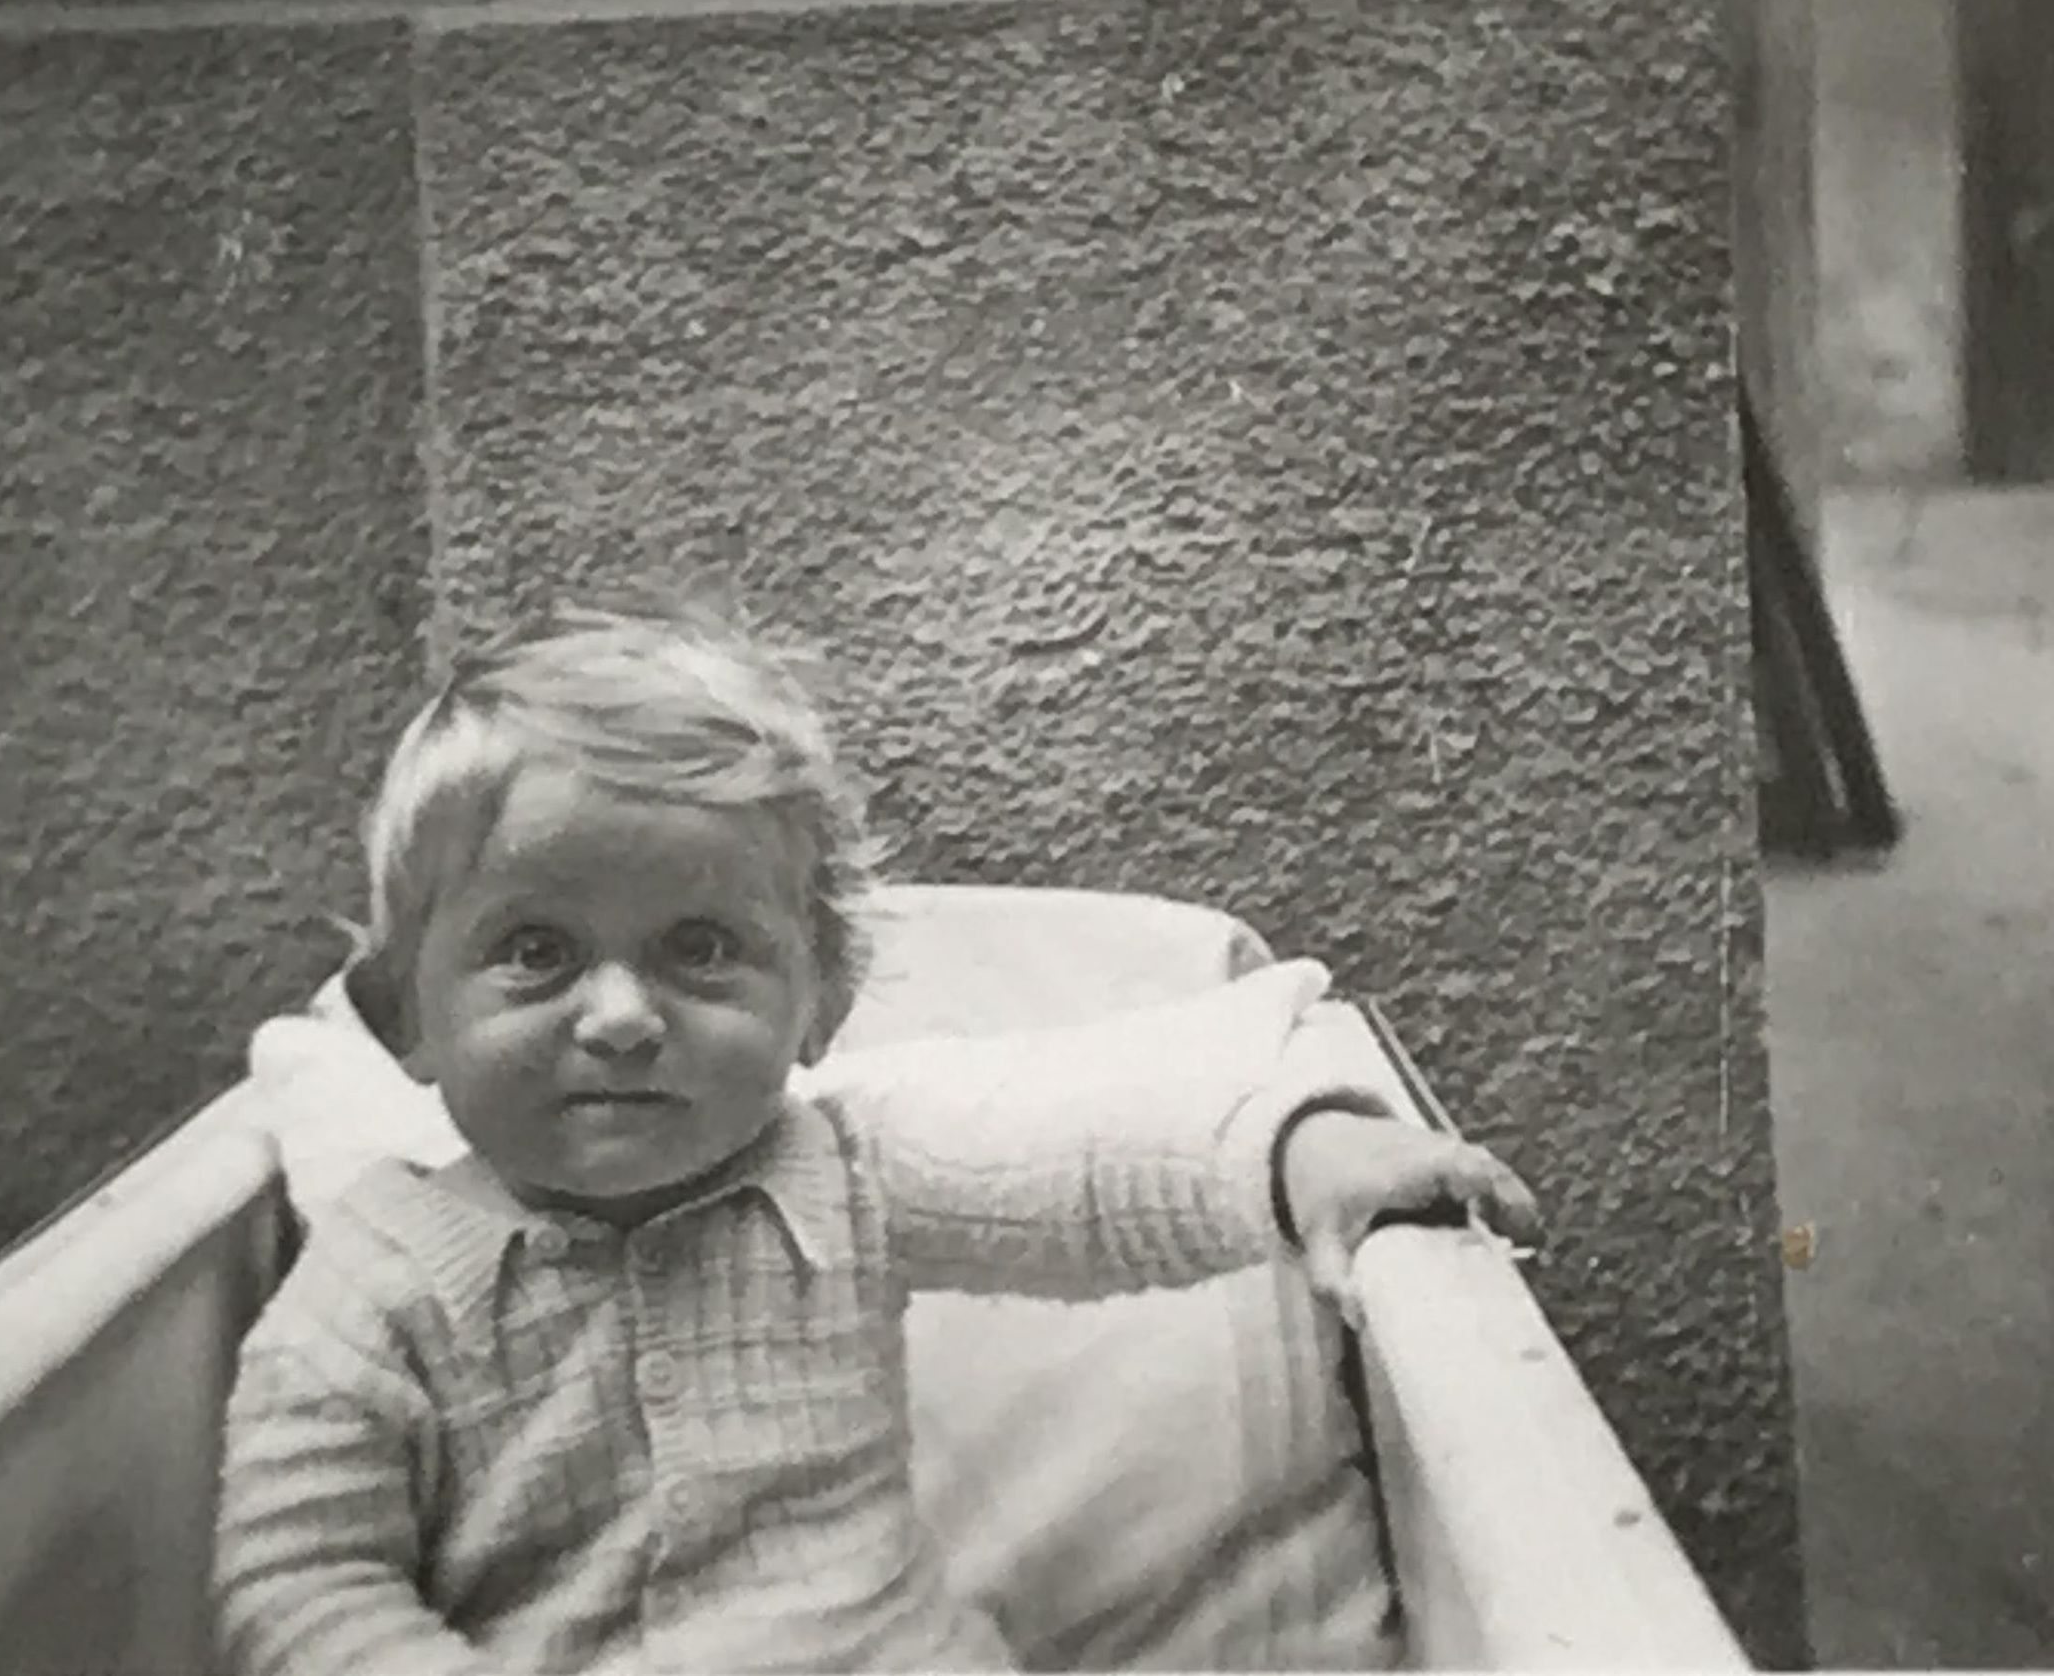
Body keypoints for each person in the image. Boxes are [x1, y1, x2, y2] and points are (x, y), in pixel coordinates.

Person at [214, 594, 1539, 1676]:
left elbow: (1091, 1177)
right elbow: (302, 1582)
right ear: (406, 1017)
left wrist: (1303, 1159)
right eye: (535, 950)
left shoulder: (845, 1171)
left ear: (819, 1003)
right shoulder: (371, 1286)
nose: (619, 1017)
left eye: (700, 948)